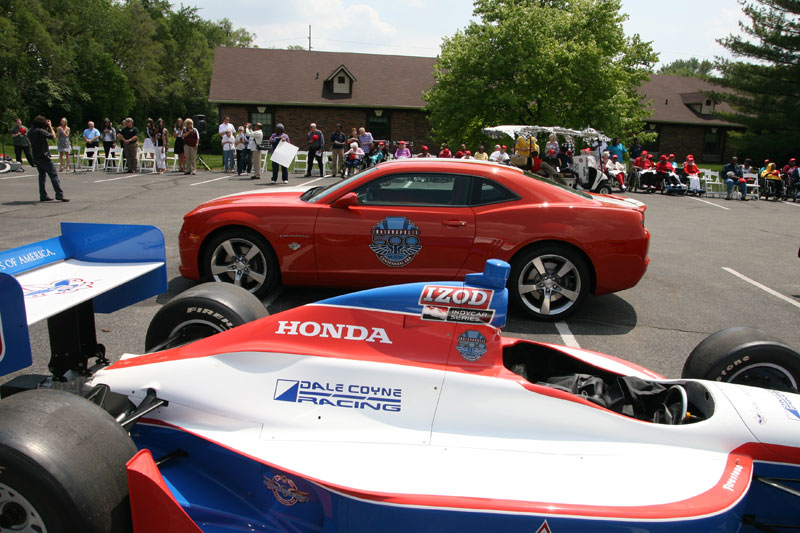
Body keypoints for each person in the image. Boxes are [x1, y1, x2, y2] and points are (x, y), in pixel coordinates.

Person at [27, 115, 68, 202]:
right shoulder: (40, 131)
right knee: (53, 175)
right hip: (44, 155)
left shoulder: (30, 131)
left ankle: (43, 195)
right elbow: (53, 136)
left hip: (35, 155)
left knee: (41, 176)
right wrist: (49, 126)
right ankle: (59, 194)